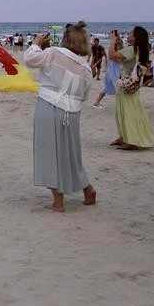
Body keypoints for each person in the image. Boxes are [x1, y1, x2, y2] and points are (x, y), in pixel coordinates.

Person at [24, 21, 96, 213]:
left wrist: (37, 43)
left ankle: (58, 201)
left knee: (49, 152)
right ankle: (87, 189)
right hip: (72, 113)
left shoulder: (54, 53)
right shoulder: (86, 69)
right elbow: (85, 96)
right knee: (71, 154)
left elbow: (30, 59)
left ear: (66, 38)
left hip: (48, 107)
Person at [108, 26, 154, 149]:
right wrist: (118, 42)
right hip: (131, 85)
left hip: (126, 85)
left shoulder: (132, 50)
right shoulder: (138, 50)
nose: (128, 35)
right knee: (127, 112)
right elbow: (123, 58)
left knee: (127, 113)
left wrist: (112, 40)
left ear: (136, 37)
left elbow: (112, 55)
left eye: (130, 33)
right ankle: (124, 136)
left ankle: (131, 140)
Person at [93, 33, 123, 108]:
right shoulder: (112, 52)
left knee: (107, 88)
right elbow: (118, 60)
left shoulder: (117, 52)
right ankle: (121, 105)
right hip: (112, 73)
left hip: (114, 72)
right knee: (117, 88)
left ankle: (97, 102)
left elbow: (121, 45)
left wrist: (117, 37)